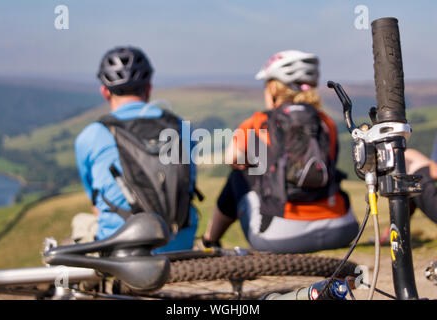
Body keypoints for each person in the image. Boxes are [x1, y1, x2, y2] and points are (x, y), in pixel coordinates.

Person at [201, 50, 359, 254]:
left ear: (274, 88)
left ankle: (209, 241)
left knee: (237, 176)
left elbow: (232, 159)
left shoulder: (258, 122)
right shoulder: (326, 122)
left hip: (280, 237)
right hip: (340, 229)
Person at [73, 46, 198, 253]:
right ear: (148, 88)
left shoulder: (91, 136)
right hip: (179, 245)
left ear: (105, 92)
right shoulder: (183, 129)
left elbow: (95, 203)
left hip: (121, 248)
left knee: (81, 222)